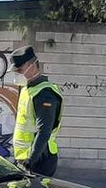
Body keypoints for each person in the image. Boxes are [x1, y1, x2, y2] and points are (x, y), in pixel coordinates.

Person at [9, 44, 64, 177]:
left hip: (39, 160)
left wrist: (29, 162)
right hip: (24, 157)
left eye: (19, 70)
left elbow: (44, 132)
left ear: (31, 66)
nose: (17, 74)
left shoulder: (45, 94)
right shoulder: (27, 89)